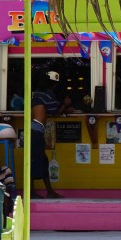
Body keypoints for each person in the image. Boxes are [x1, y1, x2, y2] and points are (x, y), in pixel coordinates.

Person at [30, 70, 70, 199]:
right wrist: (65, 104)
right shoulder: (48, 95)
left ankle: (49, 191)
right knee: (35, 161)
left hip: (32, 131)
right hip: (36, 131)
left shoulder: (37, 94)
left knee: (42, 161)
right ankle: (32, 191)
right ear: (52, 84)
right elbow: (54, 112)